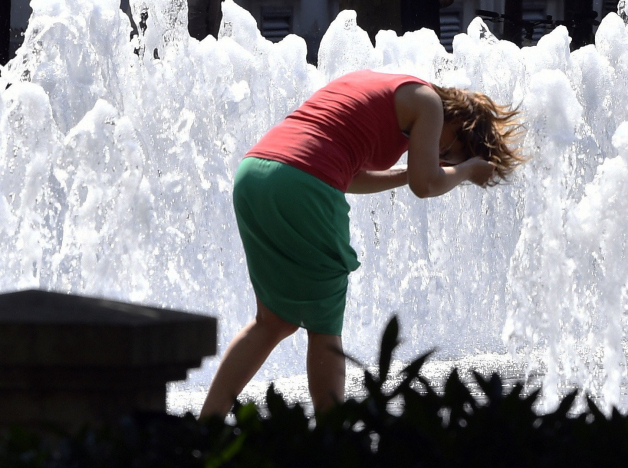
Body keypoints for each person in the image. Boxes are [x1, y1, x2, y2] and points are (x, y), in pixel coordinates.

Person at [199, 69, 524, 418]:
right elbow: (426, 185)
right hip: (304, 183)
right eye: (446, 150)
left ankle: (205, 426)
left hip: (256, 175)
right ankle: (333, 442)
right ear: (460, 122)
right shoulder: (429, 102)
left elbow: (350, 177)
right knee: (324, 327)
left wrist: (414, 169)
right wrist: (468, 170)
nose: (439, 154)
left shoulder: (381, 87)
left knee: (273, 321)